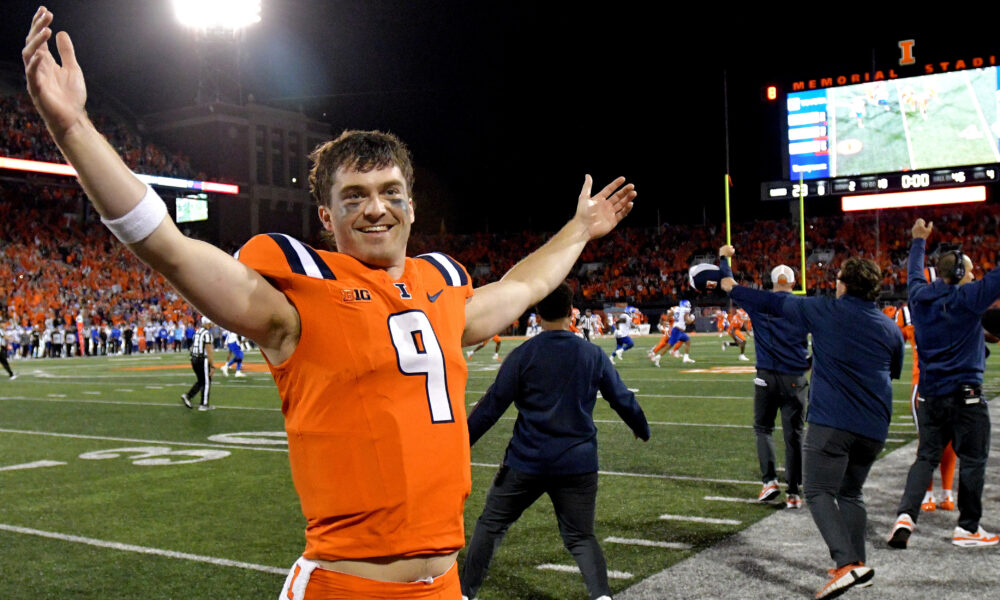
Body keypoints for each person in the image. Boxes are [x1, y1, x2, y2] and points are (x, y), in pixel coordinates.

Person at [22, 8, 635, 597]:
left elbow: (523, 287)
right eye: (355, 195)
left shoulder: (439, 288)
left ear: (413, 206)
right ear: (326, 215)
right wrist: (73, 128)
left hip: (444, 585)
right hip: (345, 586)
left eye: (391, 191)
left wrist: (579, 230)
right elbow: (172, 249)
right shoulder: (298, 296)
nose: (376, 207)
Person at [720, 255, 903, 600]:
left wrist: (733, 286)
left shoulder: (825, 310)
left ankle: (846, 562)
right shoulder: (889, 326)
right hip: (875, 425)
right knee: (851, 493)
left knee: (818, 491)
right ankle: (857, 563)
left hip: (833, 421)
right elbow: (893, 370)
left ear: (843, 284)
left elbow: (773, 300)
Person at [461, 283, 649, 600]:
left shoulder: (523, 355)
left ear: (536, 311)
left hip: (527, 460)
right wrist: (640, 426)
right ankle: (602, 596)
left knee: (491, 525)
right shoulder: (592, 353)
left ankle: (465, 594)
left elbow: (491, 408)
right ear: (570, 311)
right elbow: (621, 397)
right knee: (580, 537)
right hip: (578, 462)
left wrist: (459, 444)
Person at [888, 219, 1000, 549]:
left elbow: (913, 273)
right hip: (965, 394)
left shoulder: (920, 297)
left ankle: (905, 516)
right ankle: (967, 527)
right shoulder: (969, 298)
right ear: (961, 275)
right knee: (974, 458)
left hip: (931, 394)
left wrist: (919, 241)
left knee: (925, 458)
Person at [720, 250, 809, 508]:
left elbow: (728, 284)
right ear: (793, 283)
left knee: (763, 429)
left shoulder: (759, 300)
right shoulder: (804, 305)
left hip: (766, 377)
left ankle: (769, 481)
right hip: (795, 376)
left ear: (771, 283)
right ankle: (794, 493)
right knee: (794, 435)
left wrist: (724, 258)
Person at [894, 301, 956, 512]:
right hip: (931, 384)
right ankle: (931, 493)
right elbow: (897, 338)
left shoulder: (955, 305)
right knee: (931, 442)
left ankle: (942, 494)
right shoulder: (953, 306)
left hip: (937, 384)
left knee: (942, 441)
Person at [181, 316, 216, 410]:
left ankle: (188, 396)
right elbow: (209, 351)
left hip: (194, 359)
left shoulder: (197, 332)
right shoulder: (206, 334)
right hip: (201, 360)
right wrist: (212, 366)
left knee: (201, 381)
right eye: (210, 323)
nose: (212, 324)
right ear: (207, 323)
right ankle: (204, 405)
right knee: (207, 382)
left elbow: (192, 347)